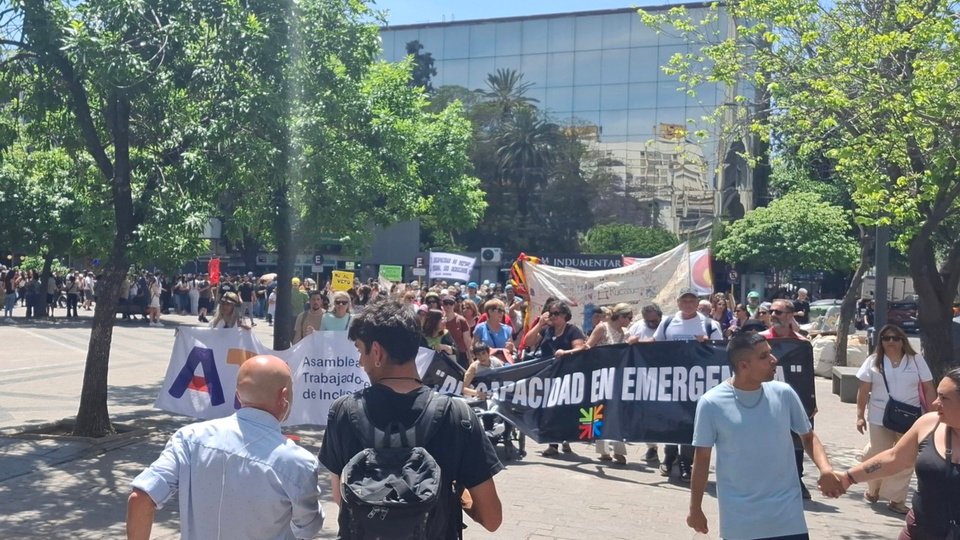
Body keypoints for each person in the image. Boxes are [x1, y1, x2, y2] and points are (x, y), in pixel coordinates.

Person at [319, 300, 503, 538]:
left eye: (359, 350)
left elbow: (340, 498)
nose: (359, 362)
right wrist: (454, 495)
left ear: (376, 352)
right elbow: (492, 518)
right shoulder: (457, 415)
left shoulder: (343, 412)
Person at [126, 355, 324, 540]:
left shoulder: (189, 439)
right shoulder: (297, 462)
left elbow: (141, 498)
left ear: (238, 396)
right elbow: (308, 527)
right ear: (284, 396)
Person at [687, 332, 844, 540]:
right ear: (743, 365)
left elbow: (808, 437)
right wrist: (695, 509)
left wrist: (825, 469)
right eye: (763, 356)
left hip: (789, 520)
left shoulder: (784, 393)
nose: (773, 360)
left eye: (770, 353)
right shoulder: (711, 403)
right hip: (740, 523)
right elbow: (702, 459)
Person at [841, 367, 960, 540]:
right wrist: (848, 478)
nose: (934, 403)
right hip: (919, 531)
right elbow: (894, 458)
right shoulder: (928, 424)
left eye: (943, 398)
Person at [855, 324, 937, 514]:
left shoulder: (916, 360)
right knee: (879, 453)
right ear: (881, 341)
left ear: (903, 340)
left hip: (910, 417)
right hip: (879, 416)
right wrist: (859, 416)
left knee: (905, 458)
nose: (891, 342)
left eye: (895, 338)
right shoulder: (874, 361)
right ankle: (873, 489)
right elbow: (863, 390)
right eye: (886, 338)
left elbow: (929, 388)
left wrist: (934, 415)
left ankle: (896, 499)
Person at [655, 288, 723, 482]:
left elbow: (721, 350)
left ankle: (686, 461)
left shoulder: (709, 324)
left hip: (697, 383)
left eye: (692, 301)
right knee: (669, 420)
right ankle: (669, 456)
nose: (688, 304)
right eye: (684, 301)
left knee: (691, 422)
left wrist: (708, 343)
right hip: (670, 380)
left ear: (697, 303)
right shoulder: (667, 322)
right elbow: (655, 346)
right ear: (678, 303)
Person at [760, 298, 814, 499]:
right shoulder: (760, 341)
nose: (773, 315)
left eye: (778, 312)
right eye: (771, 311)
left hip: (796, 401)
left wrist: (812, 402)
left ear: (790, 315)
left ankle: (796, 480)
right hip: (766, 400)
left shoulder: (802, 344)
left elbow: (808, 375)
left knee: (798, 441)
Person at [523, 301, 586, 456]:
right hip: (548, 375)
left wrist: (564, 352)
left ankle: (564, 439)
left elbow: (580, 347)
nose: (552, 316)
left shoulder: (572, 330)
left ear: (565, 315)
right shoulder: (547, 331)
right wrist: (539, 324)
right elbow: (528, 341)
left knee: (564, 409)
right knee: (549, 408)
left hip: (566, 375)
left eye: (556, 313)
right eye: (550, 313)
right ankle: (553, 444)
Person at [586, 302, 633, 464]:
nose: (630, 320)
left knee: (617, 412)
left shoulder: (626, 332)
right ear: (620, 316)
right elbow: (589, 346)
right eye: (628, 317)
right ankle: (602, 449)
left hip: (618, 376)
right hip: (600, 375)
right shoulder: (602, 328)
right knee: (599, 411)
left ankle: (619, 450)